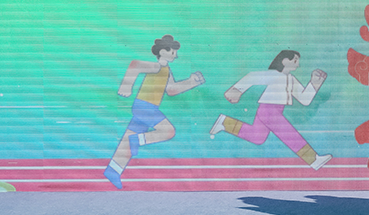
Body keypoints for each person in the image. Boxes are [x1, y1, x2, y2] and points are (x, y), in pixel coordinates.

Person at [104, 35, 205, 189]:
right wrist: (126, 86)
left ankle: (113, 170)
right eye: (173, 52)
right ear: (163, 51)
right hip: (145, 107)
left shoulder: (166, 70)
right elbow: (135, 65)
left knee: (127, 139)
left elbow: (171, 90)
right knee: (168, 131)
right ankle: (137, 140)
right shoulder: (156, 67)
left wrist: (192, 82)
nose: (176, 56)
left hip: (146, 108)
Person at [209, 50, 332, 171]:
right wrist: (236, 90)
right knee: (288, 133)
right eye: (295, 61)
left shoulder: (291, 79)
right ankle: (313, 159)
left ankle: (225, 122)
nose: (298, 64)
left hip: (274, 110)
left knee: (257, 137)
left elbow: (304, 99)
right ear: (285, 61)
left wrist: (314, 84)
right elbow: (252, 76)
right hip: (268, 110)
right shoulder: (274, 75)